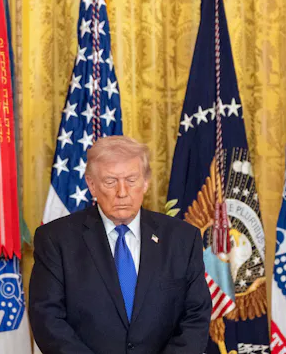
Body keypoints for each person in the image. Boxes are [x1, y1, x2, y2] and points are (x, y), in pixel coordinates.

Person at [29, 135, 211, 354]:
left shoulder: (183, 238)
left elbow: (196, 316)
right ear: (92, 185)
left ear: (146, 182)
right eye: (110, 181)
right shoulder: (56, 239)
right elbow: (48, 320)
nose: (122, 192)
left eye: (131, 180)